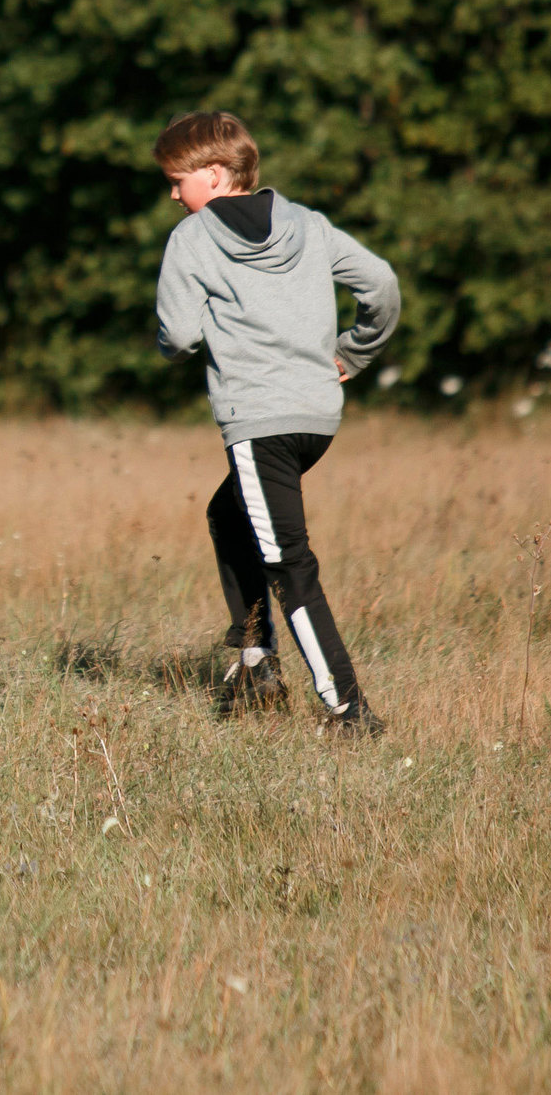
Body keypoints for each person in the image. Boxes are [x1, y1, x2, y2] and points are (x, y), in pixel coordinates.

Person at [153, 111, 401, 735]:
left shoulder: (193, 238)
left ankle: (349, 711)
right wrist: (354, 352)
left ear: (212, 175)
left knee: (290, 564)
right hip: (316, 417)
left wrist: (181, 342)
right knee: (228, 513)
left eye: (177, 180)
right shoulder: (308, 225)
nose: (173, 193)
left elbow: (178, 334)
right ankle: (257, 662)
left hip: (258, 422)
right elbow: (381, 284)